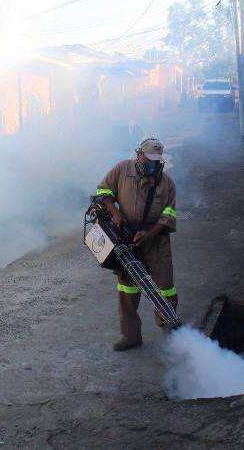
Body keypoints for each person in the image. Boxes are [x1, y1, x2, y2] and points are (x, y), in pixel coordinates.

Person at [96, 136, 178, 351]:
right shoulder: (122, 169)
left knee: (166, 287)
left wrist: (151, 233)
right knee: (127, 288)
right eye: (149, 158)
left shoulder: (167, 183)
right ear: (139, 154)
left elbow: (168, 214)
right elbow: (103, 191)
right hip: (127, 238)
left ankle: (169, 327)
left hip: (156, 240)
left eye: (156, 159)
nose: (153, 163)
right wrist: (115, 214)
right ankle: (131, 335)